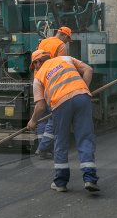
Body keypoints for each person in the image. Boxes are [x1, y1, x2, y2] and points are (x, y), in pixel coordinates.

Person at [26, 49, 99, 192]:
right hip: (82, 97)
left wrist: (33, 121)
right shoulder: (65, 58)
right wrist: (82, 88)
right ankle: (90, 178)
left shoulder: (38, 77)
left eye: (34, 66)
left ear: (37, 62)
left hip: (60, 103)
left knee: (61, 140)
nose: (35, 69)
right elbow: (89, 69)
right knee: (85, 137)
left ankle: (61, 182)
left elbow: (40, 106)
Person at [33, 27, 73, 159]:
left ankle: (43, 147)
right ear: (64, 35)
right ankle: (43, 148)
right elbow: (61, 65)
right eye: (68, 39)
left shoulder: (43, 41)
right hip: (51, 81)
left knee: (41, 114)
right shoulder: (61, 45)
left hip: (38, 79)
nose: (67, 42)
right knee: (54, 115)